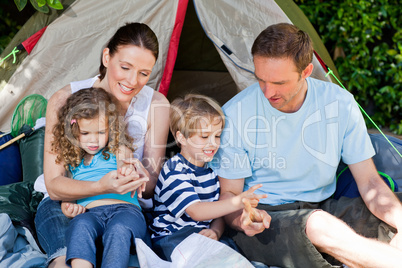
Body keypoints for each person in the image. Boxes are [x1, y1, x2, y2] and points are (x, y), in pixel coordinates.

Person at [211, 23, 402, 268]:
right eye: (260, 79)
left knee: (392, 215)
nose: (268, 92)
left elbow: (370, 183)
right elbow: (230, 196)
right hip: (267, 218)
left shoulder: (340, 103)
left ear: (307, 71)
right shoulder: (235, 114)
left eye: (279, 82)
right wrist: (242, 220)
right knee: (317, 225)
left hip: (326, 206)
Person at [34, 22, 170, 268]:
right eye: (125, 67)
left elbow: (150, 187)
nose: (132, 81)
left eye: (144, 73)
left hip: (123, 207)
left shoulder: (157, 105)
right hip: (66, 204)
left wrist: (138, 175)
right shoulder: (65, 100)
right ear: (107, 56)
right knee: (66, 259)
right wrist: (99, 185)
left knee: (120, 242)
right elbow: (55, 187)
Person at [149, 94, 267, 261]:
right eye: (204, 137)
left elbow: (217, 212)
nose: (213, 143)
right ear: (181, 137)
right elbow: (196, 211)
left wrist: (216, 231)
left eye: (217, 136)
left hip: (200, 236)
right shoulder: (174, 170)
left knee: (231, 251)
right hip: (171, 237)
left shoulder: (210, 171)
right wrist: (238, 201)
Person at [51, 87, 150, 267]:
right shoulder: (73, 162)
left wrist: (127, 171)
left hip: (126, 211)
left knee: (118, 230)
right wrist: (69, 207)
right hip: (90, 213)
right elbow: (68, 191)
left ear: (111, 128)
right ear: (74, 131)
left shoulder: (118, 149)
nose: (93, 141)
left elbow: (125, 162)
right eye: (85, 133)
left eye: (100, 133)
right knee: (79, 226)